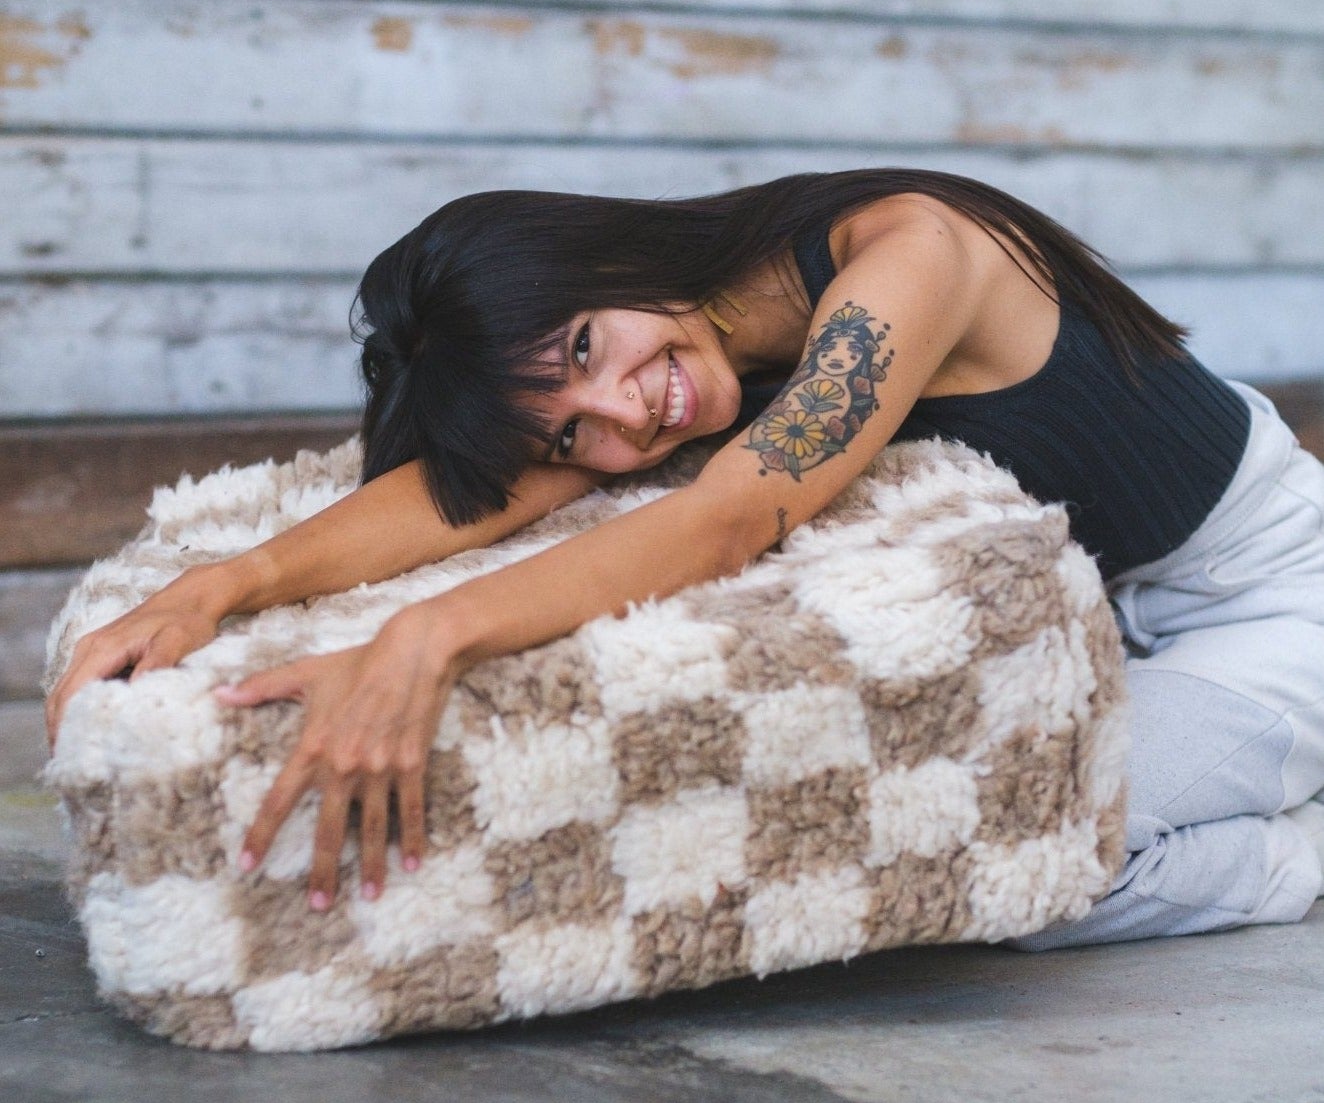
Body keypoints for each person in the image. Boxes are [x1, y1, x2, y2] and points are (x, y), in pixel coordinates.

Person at [45, 169, 1324, 941]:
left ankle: (1296, 855)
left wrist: (423, 638)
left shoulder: (909, 256)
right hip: (1100, 619)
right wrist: (221, 586)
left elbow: (726, 515)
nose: (623, 415)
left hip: (1274, 595)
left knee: (1031, 871)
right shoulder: (676, 361)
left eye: (592, 351)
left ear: (607, 258)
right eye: (572, 421)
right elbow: (469, 498)